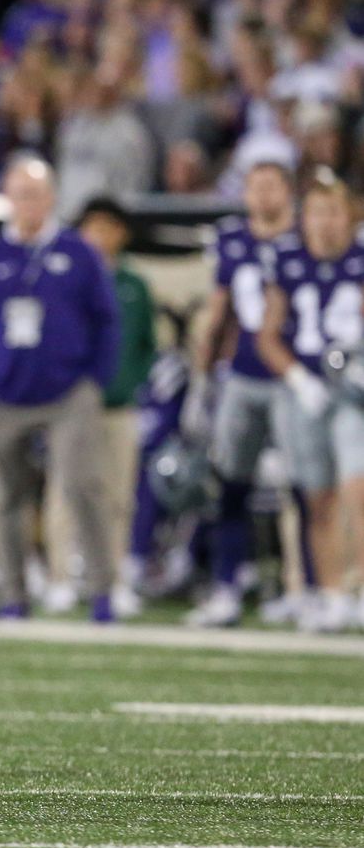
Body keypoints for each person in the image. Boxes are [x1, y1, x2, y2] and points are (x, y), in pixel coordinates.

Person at [0, 157, 122, 621]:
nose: (28, 204)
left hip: (67, 392)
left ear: (51, 198)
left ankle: (103, 590)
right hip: (4, 394)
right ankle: (13, 594)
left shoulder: (79, 252)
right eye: (20, 194)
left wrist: (93, 382)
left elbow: (106, 321)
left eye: (35, 194)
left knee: (82, 486)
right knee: (7, 496)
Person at [187, 161, 303, 628]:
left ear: (288, 191)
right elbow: (218, 315)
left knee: (305, 488)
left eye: (271, 185)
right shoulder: (233, 239)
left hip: (297, 378)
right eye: (254, 186)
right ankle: (226, 587)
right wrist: (200, 380)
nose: (262, 195)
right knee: (231, 484)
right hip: (243, 377)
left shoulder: (305, 237)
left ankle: (306, 589)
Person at [256, 174, 364, 634]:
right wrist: (299, 378)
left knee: (358, 489)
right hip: (305, 392)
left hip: (354, 390)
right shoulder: (286, 259)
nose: (325, 223)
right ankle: (332, 594)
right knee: (316, 499)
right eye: (317, 212)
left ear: (350, 216)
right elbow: (267, 335)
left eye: (333, 212)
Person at [44, 197, 155, 617]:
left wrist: (132, 384)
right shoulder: (62, 278)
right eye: (93, 227)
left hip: (117, 406)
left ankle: (112, 581)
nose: (100, 236)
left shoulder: (134, 284)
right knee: (64, 491)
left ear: (122, 234)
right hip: (69, 406)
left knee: (118, 497)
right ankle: (60, 578)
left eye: (108, 227)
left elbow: (147, 346)